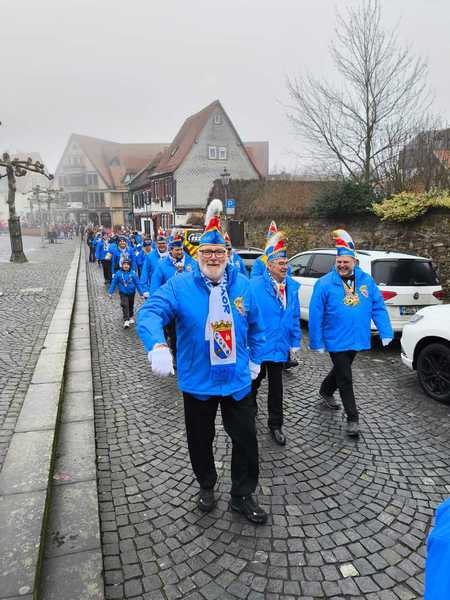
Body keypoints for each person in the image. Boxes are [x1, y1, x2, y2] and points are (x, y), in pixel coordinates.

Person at [137, 199, 268, 524]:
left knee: (246, 440)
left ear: (227, 254)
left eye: (219, 252)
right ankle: (206, 484)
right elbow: (150, 311)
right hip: (198, 381)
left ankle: (242, 494)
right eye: (207, 252)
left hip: (237, 380)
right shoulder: (180, 285)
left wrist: (256, 359)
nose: (213, 257)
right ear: (197, 255)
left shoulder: (243, 285)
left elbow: (257, 327)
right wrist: (156, 344)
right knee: (200, 440)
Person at [308, 229, 393, 437]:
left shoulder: (366, 281)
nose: (342, 265)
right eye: (339, 262)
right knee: (345, 377)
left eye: (346, 262)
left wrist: (385, 331)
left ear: (354, 262)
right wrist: (316, 341)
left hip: (357, 337)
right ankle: (353, 418)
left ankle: (326, 390)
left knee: (341, 370)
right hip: (335, 338)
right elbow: (316, 314)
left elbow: (378, 306)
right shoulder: (324, 283)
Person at [250, 231, 301, 446]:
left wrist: (295, 342)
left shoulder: (292, 287)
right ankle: (249, 411)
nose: (284, 266)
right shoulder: (254, 286)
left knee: (276, 388)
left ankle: (276, 424)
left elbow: (294, 316)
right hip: (259, 345)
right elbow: (246, 315)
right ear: (269, 265)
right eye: (280, 263)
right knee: (254, 381)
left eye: (286, 263)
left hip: (279, 346)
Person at [109, 258, 144, 328]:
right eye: (124, 264)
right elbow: (114, 283)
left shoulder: (133, 274)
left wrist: (141, 293)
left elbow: (138, 284)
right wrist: (110, 292)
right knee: (125, 305)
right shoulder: (118, 274)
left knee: (131, 305)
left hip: (132, 292)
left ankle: (131, 316)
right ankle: (126, 319)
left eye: (127, 264)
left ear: (130, 266)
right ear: (122, 265)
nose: (126, 266)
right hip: (123, 292)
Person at [140, 228, 169, 295]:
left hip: (169, 290)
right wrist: (145, 290)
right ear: (156, 244)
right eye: (159, 243)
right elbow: (144, 273)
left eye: (163, 243)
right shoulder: (150, 256)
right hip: (155, 289)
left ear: (167, 244)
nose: (162, 245)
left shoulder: (171, 255)